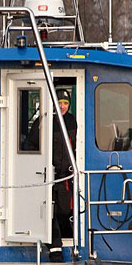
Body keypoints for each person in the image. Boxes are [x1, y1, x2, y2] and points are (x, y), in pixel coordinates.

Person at [51, 89, 77, 246]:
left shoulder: (73, 121)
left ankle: (62, 239)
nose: (62, 106)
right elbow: (31, 143)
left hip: (66, 176)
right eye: (59, 102)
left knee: (65, 211)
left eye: (65, 103)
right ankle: (54, 244)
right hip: (47, 174)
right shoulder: (46, 120)